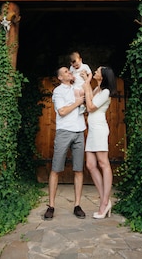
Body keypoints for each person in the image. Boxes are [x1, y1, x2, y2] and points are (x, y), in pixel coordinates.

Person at [44, 66, 87, 220]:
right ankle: (51, 206)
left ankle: (77, 205)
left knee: (78, 170)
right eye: (66, 72)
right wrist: (77, 103)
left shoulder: (77, 87)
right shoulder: (58, 91)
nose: (69, 73)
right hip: (64, 132)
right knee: (56, 169)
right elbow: (62, 111)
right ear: (60, 77)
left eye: (69, 71)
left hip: (79, 131)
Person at [81, 66, 117, 219]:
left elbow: (90, 107)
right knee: (90, 164)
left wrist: (87, 84)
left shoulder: (106, 92)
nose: (94, 72)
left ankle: (104, 203)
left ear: (103, 76)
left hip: (100, 130)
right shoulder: (97, 90)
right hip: (92, 130)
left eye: (97, 71)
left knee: (103, 163)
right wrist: (88, 85)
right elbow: (86, 103)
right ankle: (105, 199)